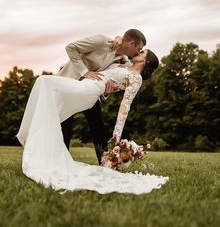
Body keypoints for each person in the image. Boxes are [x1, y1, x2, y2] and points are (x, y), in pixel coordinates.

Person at [16, 48, 169, 195]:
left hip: (89, 90)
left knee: (45, 82)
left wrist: (116, 137)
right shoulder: (125, 64)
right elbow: (115, 56)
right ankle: (44, 148)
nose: (138, 52)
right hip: (86, 84)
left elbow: (125, 106)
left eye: (142, 52)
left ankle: (30, 136)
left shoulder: (137, 79)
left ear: (146, 61)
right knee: (49, 96)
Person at [58, 29, 146, 164]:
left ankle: (105, 163)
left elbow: (118, 77)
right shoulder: (101, 41)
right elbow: (70, 48)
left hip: (89, 91)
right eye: (139, 49)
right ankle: (61, 162)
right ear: (132, 43)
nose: (138, 52)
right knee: (66, 126)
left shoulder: (123, 60)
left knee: (97, 125)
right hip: (69, 84)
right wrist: (84, 71)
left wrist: (107, 91)